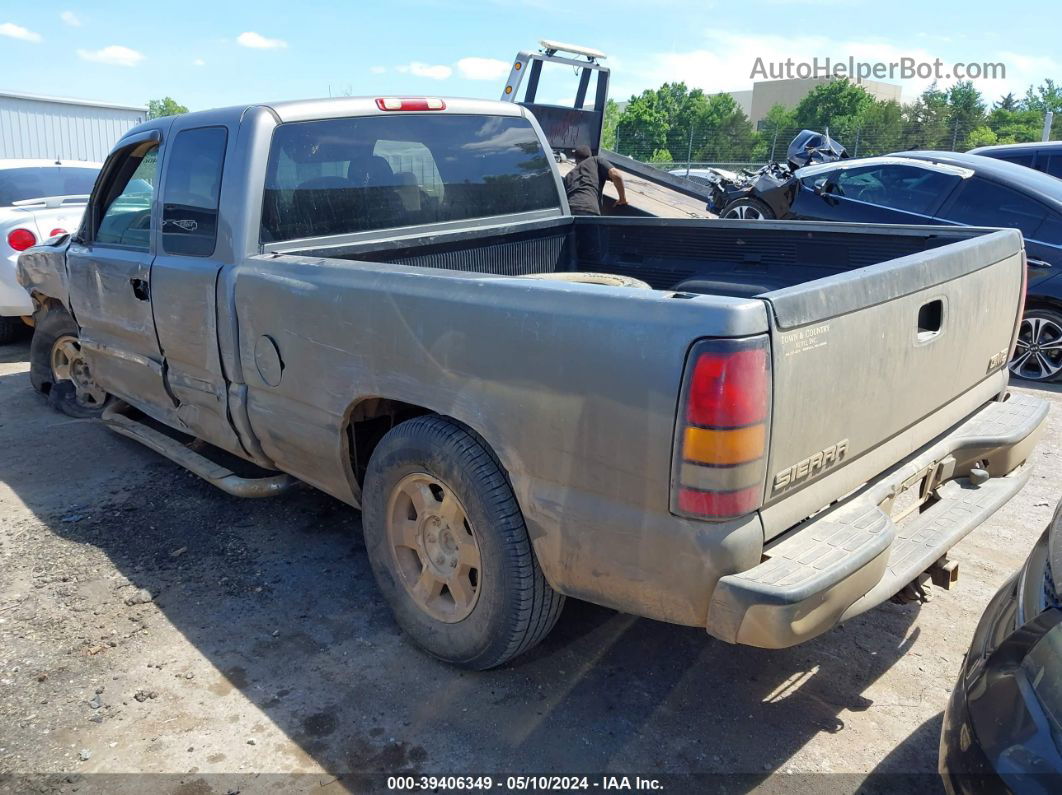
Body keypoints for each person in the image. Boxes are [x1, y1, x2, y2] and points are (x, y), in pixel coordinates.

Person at [563, 145, 627, 216]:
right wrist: (622, 199)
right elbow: (616, 175)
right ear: (590, 156)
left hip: (569, 212)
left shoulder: (568, 176)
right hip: (589, 211)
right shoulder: (595, 160)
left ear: (576, 160)